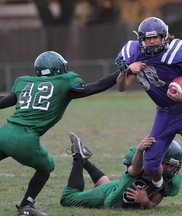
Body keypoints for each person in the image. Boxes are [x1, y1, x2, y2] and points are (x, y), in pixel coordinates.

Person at [115, 17, 182, 212]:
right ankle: (158, 186)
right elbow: (121, 87)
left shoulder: (178, 52)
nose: (152, 42)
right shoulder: (133, 53)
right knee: (150, 164)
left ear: (164, 37)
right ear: (141, 40)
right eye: (148, 39)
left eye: (156, 37)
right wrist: (127, 70)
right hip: (164, 113)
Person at [0, 51, 120, 216]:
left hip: (4, 132)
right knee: (46, 168)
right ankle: (25, 207)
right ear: (58, 69)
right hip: (25, 139)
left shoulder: (24, 82)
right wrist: (123, 70)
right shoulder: (64, 83)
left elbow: (4, 101)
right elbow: (98, 85)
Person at [60, 132, 182, 209]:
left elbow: (153, 204)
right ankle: (78, 158)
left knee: (114, 188)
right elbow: (134, 170)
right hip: (108, 195)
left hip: (117, 189)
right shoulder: (140, 164)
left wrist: (145, 202)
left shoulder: (170, 181)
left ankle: (84, 160)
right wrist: (140, 150)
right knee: (68, 199)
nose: (169, 169)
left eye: (172, 165)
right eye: (166, 164)